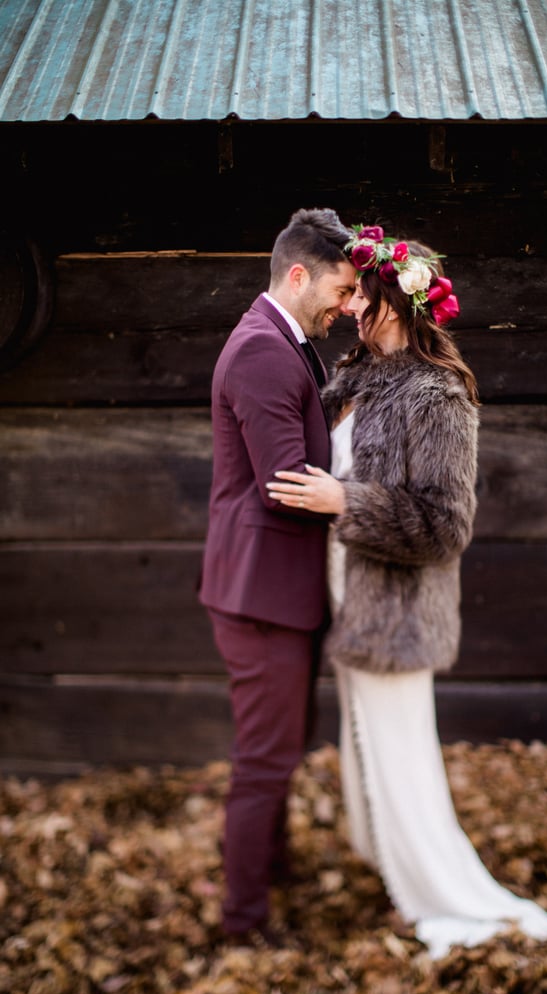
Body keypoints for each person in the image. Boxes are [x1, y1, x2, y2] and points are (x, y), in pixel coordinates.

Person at [267, 225, 547, 958]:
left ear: (398, 304)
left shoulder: (437, 395)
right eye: (346, 295)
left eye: (361, 297)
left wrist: (346, 504)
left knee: (400, 755)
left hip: (395, 614)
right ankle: (387, 869)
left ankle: (438, 891)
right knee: (365, 749)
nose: (349, 308)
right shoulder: (355, 379)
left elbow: (445, 527)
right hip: (346, 599)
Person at [199, 208, 356, 947]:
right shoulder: (263, 351)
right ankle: (242, 923)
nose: (346, 304)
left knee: (281, 748)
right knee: (264, 761)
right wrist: (365, 493)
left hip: (275, 591)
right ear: (298, 275)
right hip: (261, 594)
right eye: (340, 287)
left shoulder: (285, 343)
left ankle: (270, 871)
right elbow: (285, 484)